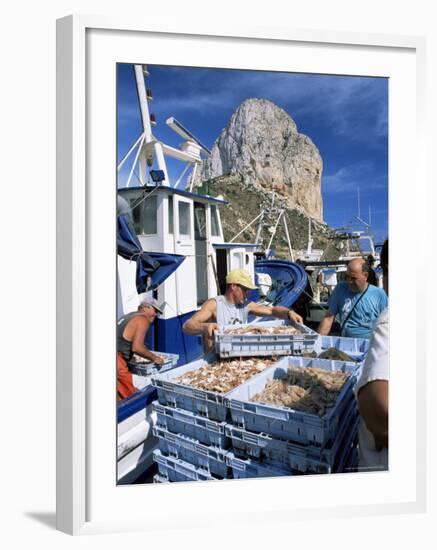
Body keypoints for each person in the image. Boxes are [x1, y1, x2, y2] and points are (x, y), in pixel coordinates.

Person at [182, 268, 303, 353]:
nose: (248, 293)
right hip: (216, 360)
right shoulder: (214, 304)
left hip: (237, 356)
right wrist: (205, 327)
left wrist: (288, 313)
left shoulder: (247, 305)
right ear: (233, 286)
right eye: (245, 289)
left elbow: (272, 311)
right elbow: (187, 326)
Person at [355, 239, 389, 471]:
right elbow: (328, 316)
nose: (348, 281)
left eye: (353, 276)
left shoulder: (388, 316)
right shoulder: (338, 292)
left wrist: (381, 438)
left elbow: (379, 404)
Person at [317, 257, 388, 339]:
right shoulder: (340, 289)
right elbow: (328, 318)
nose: (349, 281)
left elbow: (386, 325)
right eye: (347, 277)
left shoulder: (379, 295)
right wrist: (318, 341)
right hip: (346, 343)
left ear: (365, 275)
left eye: (354, 278)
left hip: (369, 345)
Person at [116, 296, 165, 400]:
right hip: (117, 361)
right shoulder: (142, 319)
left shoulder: (129, 315)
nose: (156, 315)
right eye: (155, 310)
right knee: (128, 398)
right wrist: (154, 358)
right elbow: (137, 347)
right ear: (145, 307)